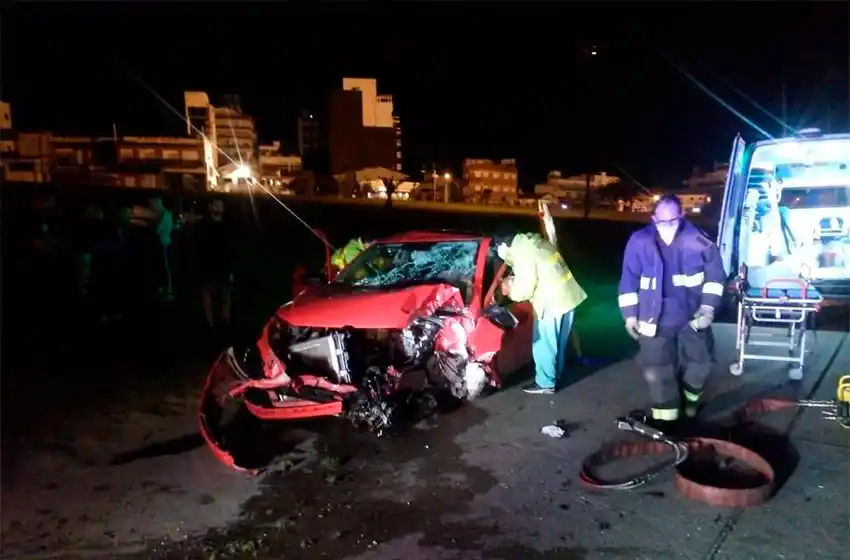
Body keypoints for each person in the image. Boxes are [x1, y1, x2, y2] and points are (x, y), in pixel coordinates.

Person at [617, 194, 726, 427]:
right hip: (652, 320)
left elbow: (715, 278)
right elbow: (629, 280)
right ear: (653, 218)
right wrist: (630, 316)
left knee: (701, 365)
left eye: (673, 221)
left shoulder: (700, 241)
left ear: (682, 215)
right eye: (662, 221)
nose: (667, 226)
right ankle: (666, 422)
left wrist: (708, 308)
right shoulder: (639, 242)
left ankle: (690, 404)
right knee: (658, 371)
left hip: (693, 317)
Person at [497, 232, 587, 394]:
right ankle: (555, 376)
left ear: (504, 245)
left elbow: (524, 290)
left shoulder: (523, 255)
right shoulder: (532, 243)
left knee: (543, 344)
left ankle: (545, 383)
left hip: (551, 302)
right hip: (568, 297)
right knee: (557, 343)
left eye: (498, 247)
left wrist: (510, 293)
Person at [194, 198, 235, 328]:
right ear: (210, 207)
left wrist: (231, 266)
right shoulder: (202, 225)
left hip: (224, 263)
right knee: (208, 293)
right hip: (208, 263)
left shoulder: (227, 225)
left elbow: (231, 246)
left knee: (226, 293)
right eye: (216, 205)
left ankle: (225, 320)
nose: (219, 208)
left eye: (220, 206)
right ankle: (209, 322)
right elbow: (198, 246)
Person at [149, 196, 174, 301]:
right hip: (164, 243)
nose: (151, 205)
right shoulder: (166, 214)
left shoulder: (163, 214)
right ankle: (163, 290)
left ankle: (168, 291)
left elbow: (158, 230)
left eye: (152, 202)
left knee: (165, 268)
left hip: (164, 244)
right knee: (162, 268)